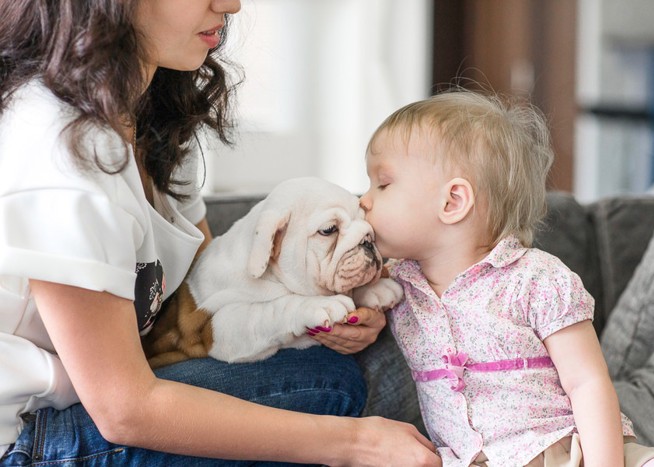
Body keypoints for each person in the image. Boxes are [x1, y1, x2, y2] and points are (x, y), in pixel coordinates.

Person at [0, 1, 442, 465]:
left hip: (103, 394)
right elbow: (124, 409)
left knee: (367, 350)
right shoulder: (62, 154)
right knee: (332, 383)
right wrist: (353, 444)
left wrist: (326, 312)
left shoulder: (154, 120)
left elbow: (215, 286)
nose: (230, 4)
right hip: (29, 435)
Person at [359, 90, 654, 467]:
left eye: (383, 184)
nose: (363, 200)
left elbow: (586, 383)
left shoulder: (536, 279)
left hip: (571, 451)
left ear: (453, 201)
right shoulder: (395, 286)